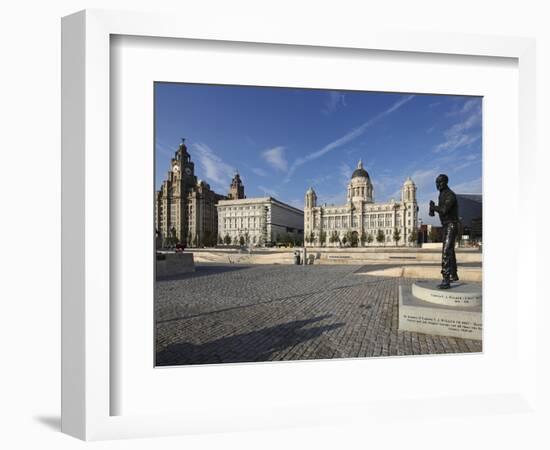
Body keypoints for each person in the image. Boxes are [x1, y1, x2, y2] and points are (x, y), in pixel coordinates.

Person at [429, 174, 459, 289]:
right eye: (436, 183)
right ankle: (453, 274)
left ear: (446, 182)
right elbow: (440, 211)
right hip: (446, 225)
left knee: (446, 251)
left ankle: (446, 278)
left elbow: (444, 210)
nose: (438, 185)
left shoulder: (450, 195)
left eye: (440, 182)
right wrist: (433, 209)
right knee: (450, 250)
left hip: (451, 225)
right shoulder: (441, 194)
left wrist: (434, 208)